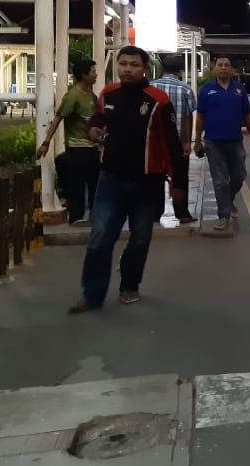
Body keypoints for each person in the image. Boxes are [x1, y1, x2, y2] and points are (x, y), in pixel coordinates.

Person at [68, 46, 181, 314]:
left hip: (147, 183)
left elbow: (173, 145)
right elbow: (95, 124)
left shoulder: (158, 100)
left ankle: (130, 284)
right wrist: (95, 132)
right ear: (116, 66)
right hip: (110, 181)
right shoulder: (107, 94)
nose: (127, 69)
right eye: (123, 64)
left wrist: (179, 185)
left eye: (133, 64)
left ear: (144, 68)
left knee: (140, 238)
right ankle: (92, 295)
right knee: (100, 238)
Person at [194, 56, 250, 231]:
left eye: (227, 65)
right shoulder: (206, 90)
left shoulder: (239, 90)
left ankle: (228, 202)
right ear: (215, 69)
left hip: (235, 141)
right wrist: (197, 140)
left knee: (239, 176)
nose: (223, 68)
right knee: (220, 181)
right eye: (220, 65)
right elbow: (200, 117)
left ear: (231, 70)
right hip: (213, 143)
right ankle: (223, 215)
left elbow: (247, 115)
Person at [37, 60, 99, 226]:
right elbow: (58, 118)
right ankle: (76, 216)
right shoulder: (72, 96)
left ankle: (95, 214)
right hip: (76, 148)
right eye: (93, 71)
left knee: (95, 182)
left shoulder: (91, 95)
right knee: (77, 183)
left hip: (92, 147)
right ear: (84, 75)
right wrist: (46, 142)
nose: (96, 75)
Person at [151, 56, 198, 223]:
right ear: (180, 71)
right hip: (177, 143)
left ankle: (154, 214)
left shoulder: (151, 87)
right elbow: (187, 117)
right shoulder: (185, 89)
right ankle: (182, 214)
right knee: (180, 179)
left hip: (154, 144)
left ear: (162, 69)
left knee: (155, 179)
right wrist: (187, 142)